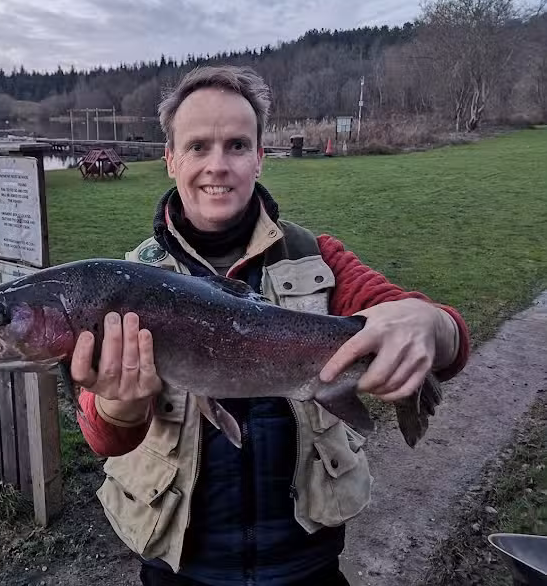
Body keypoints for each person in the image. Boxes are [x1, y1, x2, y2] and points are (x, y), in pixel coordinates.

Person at [71, 65, 470, 586]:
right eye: (197, 146)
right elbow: (102, 436)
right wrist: (119, 406)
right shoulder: (126, 284)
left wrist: (428, 322)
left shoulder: (318, 258)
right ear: (170, 159)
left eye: (237, 146)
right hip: (182, 566)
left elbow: (446, 340)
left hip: (306, 560)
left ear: (259, 157)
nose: (217, 165)